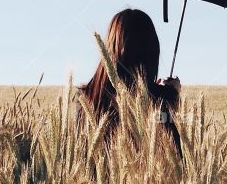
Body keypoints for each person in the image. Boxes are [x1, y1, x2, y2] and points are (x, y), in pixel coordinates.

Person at [78, 8, 182, 152]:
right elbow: (178, 156)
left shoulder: (86, 98)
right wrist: (172, 96)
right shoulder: (161, 100)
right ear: (152, 52)